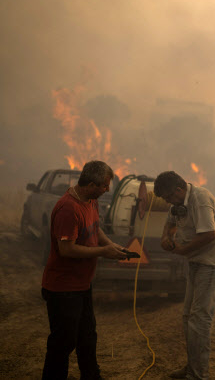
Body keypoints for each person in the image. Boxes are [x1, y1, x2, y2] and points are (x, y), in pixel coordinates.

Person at [41, 160, 128, 380]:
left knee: (87, 337)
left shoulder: (91, 201)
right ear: (90, 184)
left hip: (82, 284)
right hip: (63, 288)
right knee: (63, 343)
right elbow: (66, 249)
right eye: (105, 186)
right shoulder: (68, 209)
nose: (107, 190)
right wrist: (102, 252)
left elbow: (95, 230)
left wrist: (110, 245)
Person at [154, 171, 215, 380]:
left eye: (169, 197)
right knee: (188, 316)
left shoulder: (201, 198)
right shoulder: (177, 202)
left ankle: (199, 375)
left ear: (179, 190)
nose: (168, 202)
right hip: (196, 261)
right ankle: (192, 367)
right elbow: (170, 223)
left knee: (199, 319)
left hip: (212, 262)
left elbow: (210, 234)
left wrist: (182, 250)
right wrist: (165, 237)